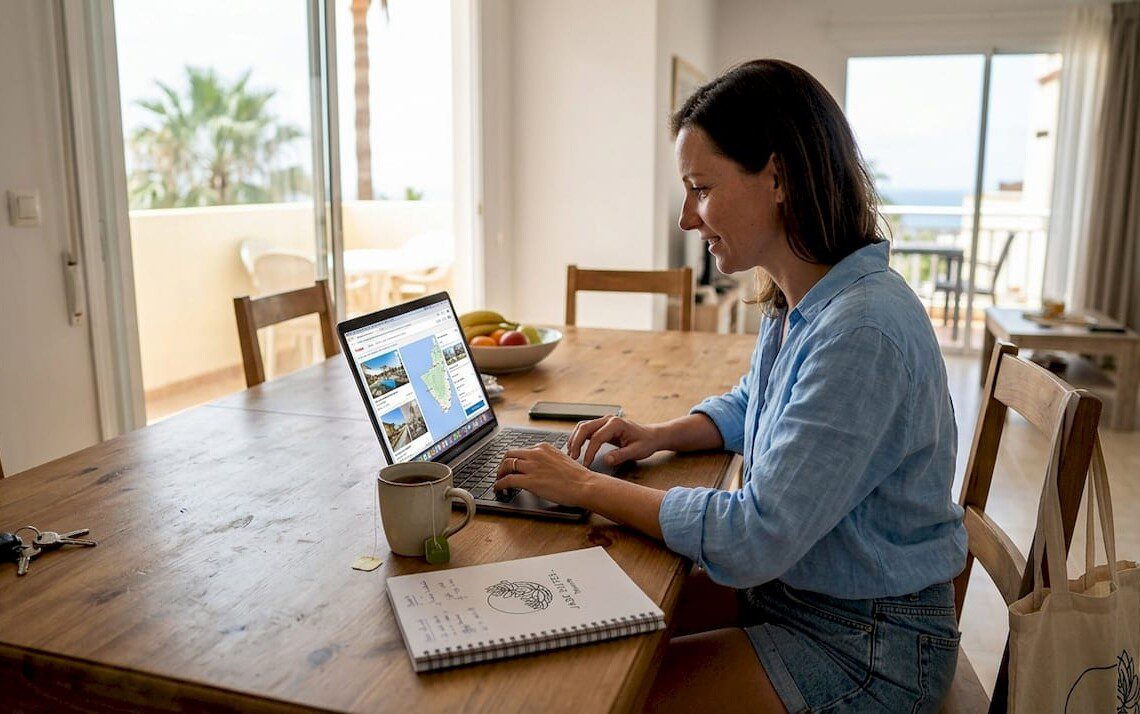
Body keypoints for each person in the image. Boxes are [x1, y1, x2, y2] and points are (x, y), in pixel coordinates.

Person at [493, 59, 967, 713]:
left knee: (606, 694)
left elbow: (754, 537)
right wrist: (660, 434)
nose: (688, 217)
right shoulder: (805, 298)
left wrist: (585, 487)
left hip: (866, 648)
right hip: (799, 596)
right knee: (570, 638)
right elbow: (758, 401)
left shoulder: (862, 331)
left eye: (701, 188)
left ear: (778, 177)